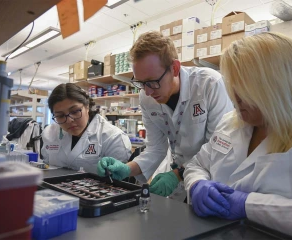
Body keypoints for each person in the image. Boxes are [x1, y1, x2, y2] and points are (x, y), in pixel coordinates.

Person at [184, 32, 292, 240]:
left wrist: (250, 206)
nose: (235, 98)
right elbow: (197, 165)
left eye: (245, 88)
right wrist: (196, 184)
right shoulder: (231, 122)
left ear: (278, 86)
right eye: (233, 86)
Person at [97, 31, 233, 198]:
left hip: (209, 177)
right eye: (140, 83)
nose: (147, 91)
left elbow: (218, 149)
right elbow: (156, 148)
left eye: (152, 82)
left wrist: (178, 174)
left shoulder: (209, 84)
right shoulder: (146, 98)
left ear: (174, 68)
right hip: (176, 173)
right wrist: (128, 168)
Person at [41, 83, 131, 173]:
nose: (69, 120)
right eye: (60, 115)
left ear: (87, 106)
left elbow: (118, 179)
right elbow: (46, 166)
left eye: (75, 111)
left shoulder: (113, 138)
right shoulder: (49, 133)